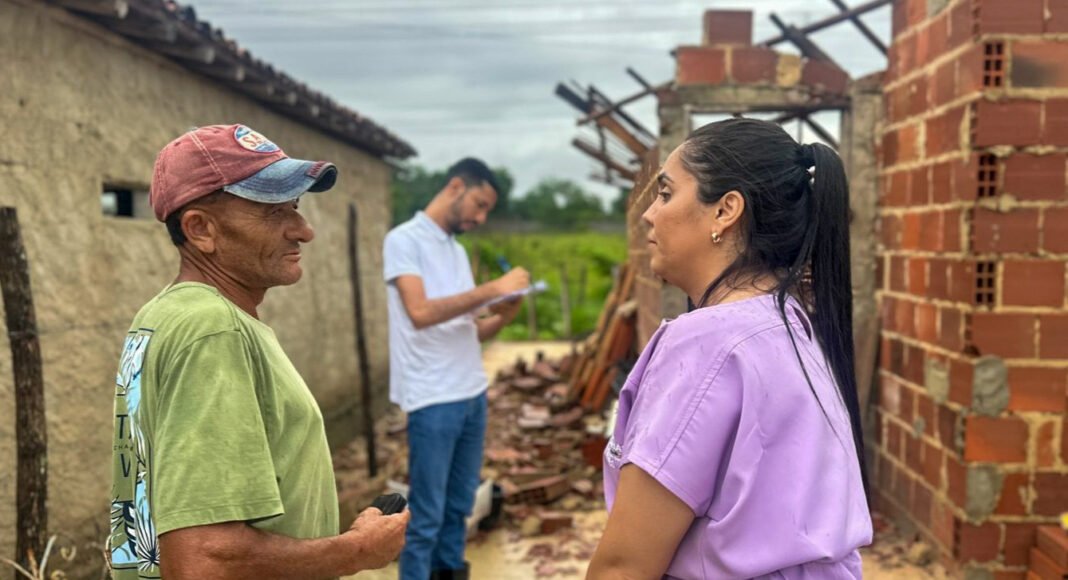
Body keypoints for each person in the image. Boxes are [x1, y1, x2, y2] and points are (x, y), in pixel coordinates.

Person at [109, 124, 409, 580]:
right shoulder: (213, 330)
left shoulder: (161, 315)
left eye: (296, 206)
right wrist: (357, 551)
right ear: (201, 229)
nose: (303, 230)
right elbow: (203, 560)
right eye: (273, 212)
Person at [587, 118, 872, 579]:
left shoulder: (708, 342)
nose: (648, 214)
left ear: (725, 210)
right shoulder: (788, 326)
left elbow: (624, 566)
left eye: (665, 193)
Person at [384, 158, 529, 580]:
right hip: (433, 399)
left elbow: (465, 332)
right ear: (455, 187)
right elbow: (421, 312)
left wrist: (504, 313)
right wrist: (493, 288)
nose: (480, 218)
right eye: (479, 205)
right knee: (426, 517)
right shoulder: (403, 241)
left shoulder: (456, 251)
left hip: (470, 395)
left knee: (459, 509)